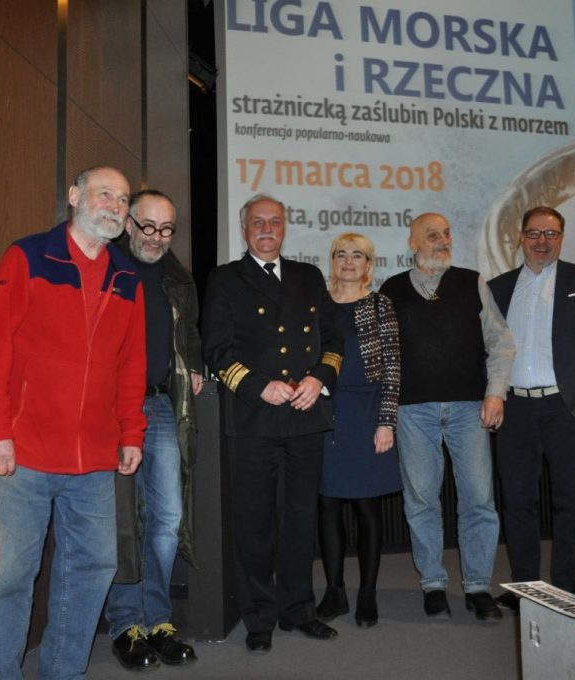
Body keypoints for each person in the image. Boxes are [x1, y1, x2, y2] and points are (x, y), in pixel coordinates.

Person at [0, 166, 145, 679]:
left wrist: (131, 432)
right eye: (105, 193)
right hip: (23, 455)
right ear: (75, 196)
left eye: (123, 199)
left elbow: (131, 365)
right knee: (9, 580)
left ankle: (63, 672)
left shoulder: (127, 277)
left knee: (93, 570)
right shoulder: (27, 257)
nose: (115, 205)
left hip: (95, 459)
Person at [201, 194, 343, 653]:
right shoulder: (225, 279)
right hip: (254, 421)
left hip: (305, 417)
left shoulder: (308, 276)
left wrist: (319, 378)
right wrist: (257, 386)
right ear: (243, 229)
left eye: (275, 222)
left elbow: (333, 338)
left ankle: (299, 609)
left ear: (285, 228)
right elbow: (216, 349)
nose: (267, 229)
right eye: (258, 222)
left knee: (300, 519)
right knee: (254, 523)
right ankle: (259, 617)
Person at [379, 212, 514, 622]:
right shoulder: (391, 289)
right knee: (421, 500)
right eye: (432, 235)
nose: (442, 240)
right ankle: (433, 584)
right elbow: (384, 357)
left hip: (469, 409)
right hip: (412, 411)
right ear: (412, 242)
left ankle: (478, 586)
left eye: (446, 234)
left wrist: (495, 393)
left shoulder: (472, 282)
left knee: (479, 499)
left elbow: (500, 342)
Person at [488, 206, 575, 602]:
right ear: (521, 238)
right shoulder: (498, 287)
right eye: (534, 233)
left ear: (561, 238)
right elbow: (486, 348)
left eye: (551, 233)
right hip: (515, 409)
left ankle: (566, 589)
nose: (542, 241)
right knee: (517, 502)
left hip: (568, 408)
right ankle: (525, 588)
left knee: (570, 503)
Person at [104, 190, 202, 670]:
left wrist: (194, 363)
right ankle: (126, 624)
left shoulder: (177, 276)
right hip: (110, 410)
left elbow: (190, 331)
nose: (157, 238)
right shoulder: (104, 267)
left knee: (167, 518)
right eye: (148, 227)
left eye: (166, 229)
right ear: (128, 224)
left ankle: (158, 620)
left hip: (160, 404)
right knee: (124, 521)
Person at [316, 232, 402, 628]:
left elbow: (393, 368)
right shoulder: (317, 304)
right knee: (328, 505)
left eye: (357, 255)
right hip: (324, 412)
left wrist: (386, 422)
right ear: (332, 260)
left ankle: (367, 592)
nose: (348, 262)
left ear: (369, 264)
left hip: (367, 413)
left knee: (367, 506)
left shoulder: (380, 304)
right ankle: (334, 591)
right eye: (341, 254)